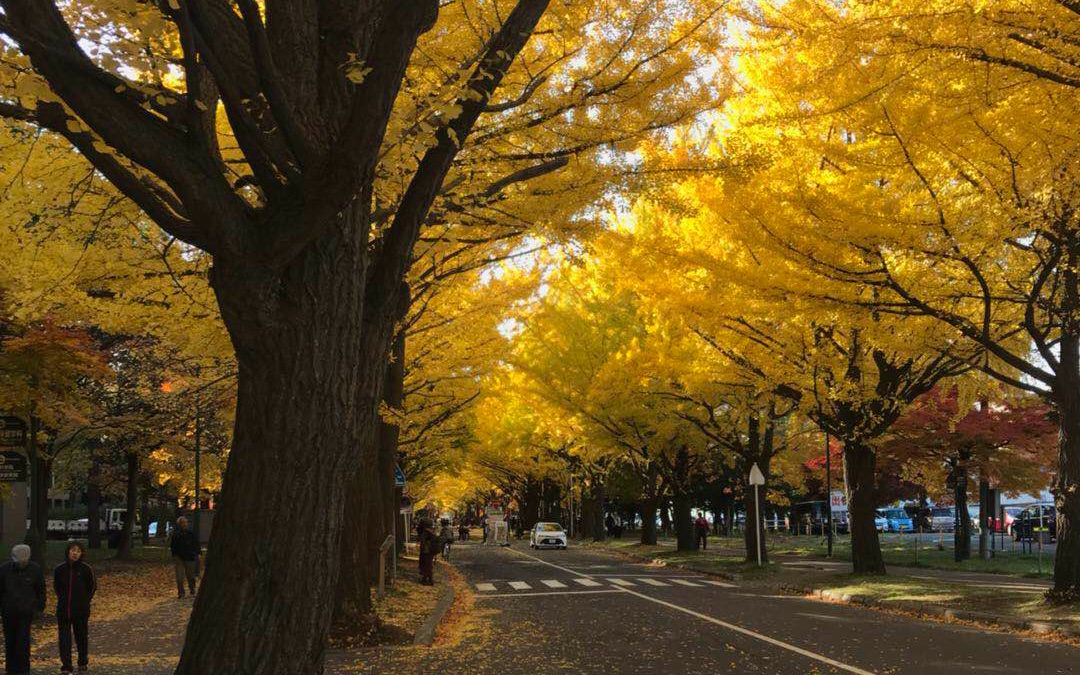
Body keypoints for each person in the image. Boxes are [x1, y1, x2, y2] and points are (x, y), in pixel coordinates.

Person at [0, 544, 44, 675]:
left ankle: (23, 668)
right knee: (10, 639)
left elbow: (40, 589)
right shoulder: (4, 570)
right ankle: (11, 667)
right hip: (8, 610)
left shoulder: (35, 569)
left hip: (26, 610)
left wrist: (38, 607)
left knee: (23, 640)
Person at [54, 541, 96, 674]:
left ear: (81, 554)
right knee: (64, 639)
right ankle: (66, 665)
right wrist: (63, 599)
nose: (75, 553)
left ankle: (82, 661)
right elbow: (57, 587)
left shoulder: (86, 569)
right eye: (73, 550)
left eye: (78, 551)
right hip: (63, 610)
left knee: (81, 637)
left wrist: (84, 601)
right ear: (68, 551)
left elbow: (92, 587)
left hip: (80, 611)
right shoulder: (60, 569)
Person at [170, 516, 201, 599]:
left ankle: (192, 588)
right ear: (179, 524)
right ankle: (181, 592)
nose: (183, 524)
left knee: (190, 575)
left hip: (190, 557)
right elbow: (173, 546)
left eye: (185, 522)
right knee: (179, 576)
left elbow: (196, 544)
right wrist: (174, 555)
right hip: (179, 557)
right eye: (181, 523)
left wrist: (197, 553)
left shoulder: (191, 534)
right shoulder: (175, 534)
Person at [417, 519, 437, 585]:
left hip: (426, 550)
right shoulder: (432, 531)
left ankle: (429, 580)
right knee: (428, 564)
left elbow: (422, 541)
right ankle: (426, 579)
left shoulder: (425, 532)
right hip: (431, 550)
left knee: (426, 564)